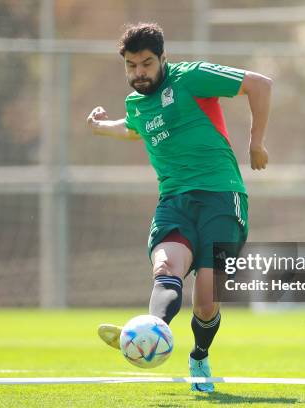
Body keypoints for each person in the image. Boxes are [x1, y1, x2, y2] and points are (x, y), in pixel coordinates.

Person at [86, 22, 271, 392]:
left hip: (222, 195)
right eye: (131, 66)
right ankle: (150, 332)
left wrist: (256, 144)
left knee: (205, 301)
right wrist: (101, 126)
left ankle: (199, 357)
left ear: (163, 59)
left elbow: (260, 84)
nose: (139, 73)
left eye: (147, 64)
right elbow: (134, 126)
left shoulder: (192, 77)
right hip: (174, 201)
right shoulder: (137, 103)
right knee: (167, 266)